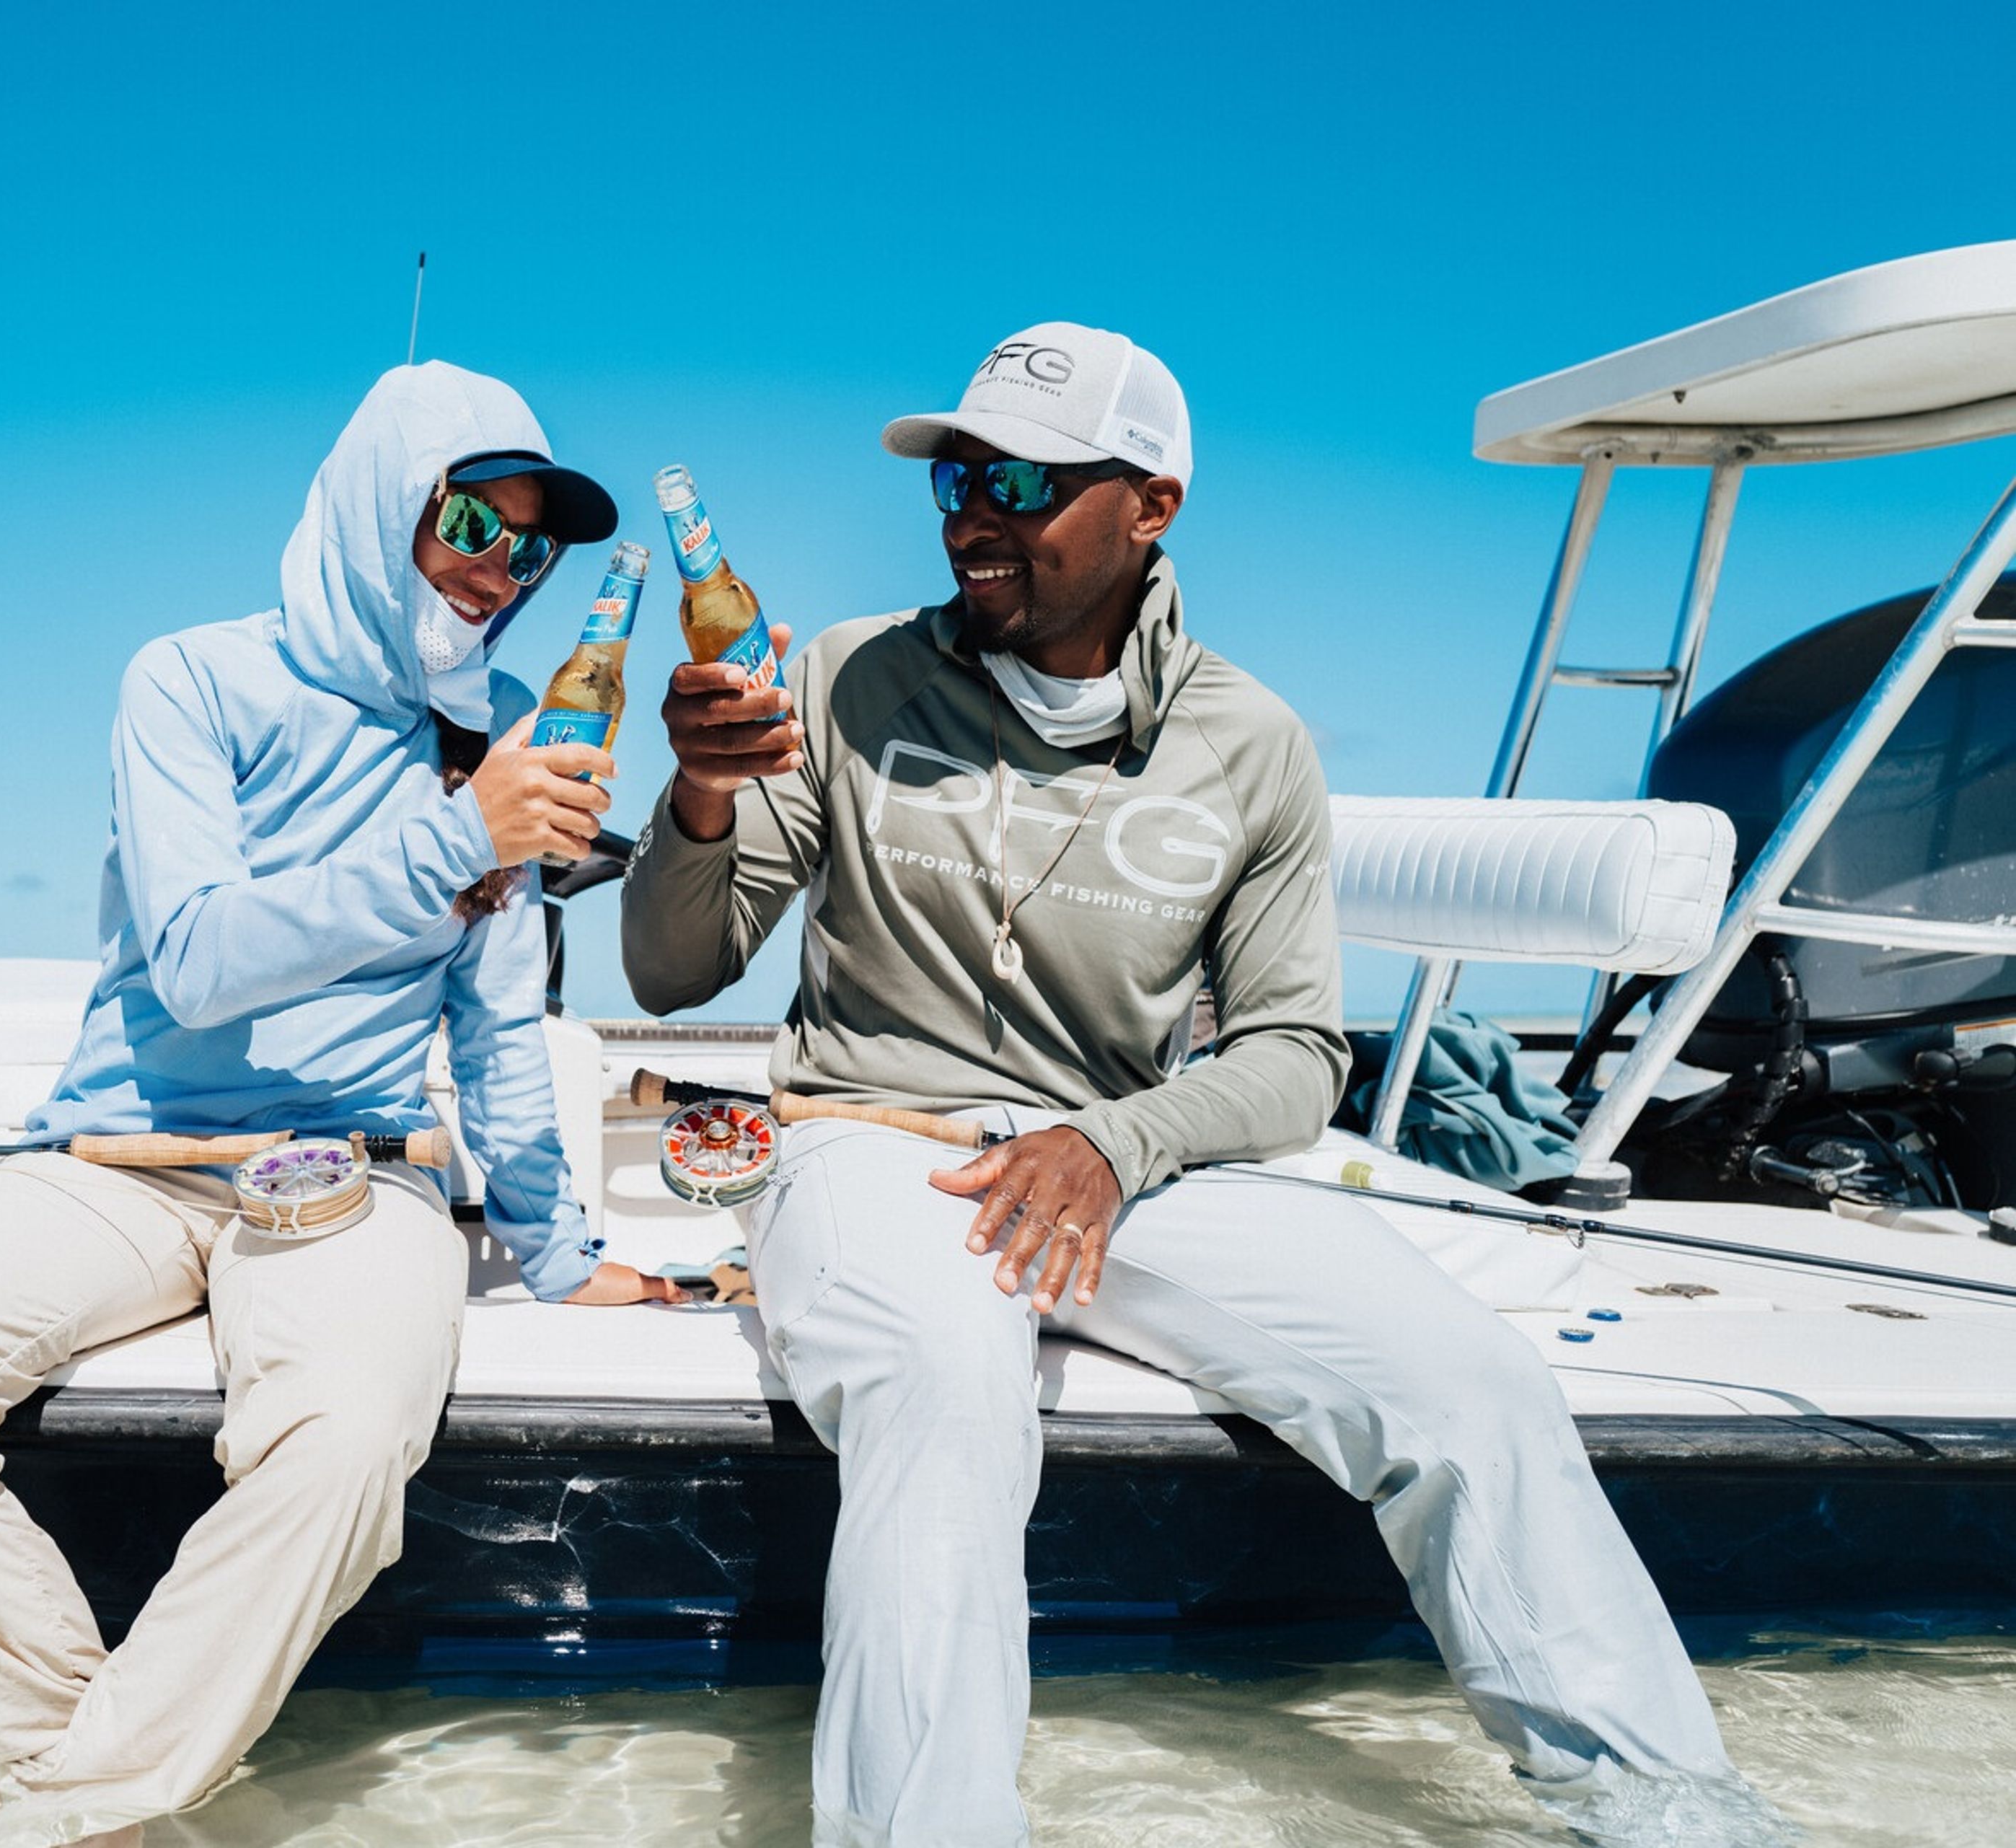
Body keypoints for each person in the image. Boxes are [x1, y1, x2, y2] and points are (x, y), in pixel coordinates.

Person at [618, 325, 1764, 1845]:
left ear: (1151, 504)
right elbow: (672, 972)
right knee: (949, 1390)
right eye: (959, 474)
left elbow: (1296, 1055)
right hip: (869, 1138)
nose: (975, 509)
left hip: (1124, 1164)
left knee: (1471, 1383)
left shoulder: (1254, 744)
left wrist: (1114, 1146)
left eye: (1024, 478)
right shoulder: (840, 678)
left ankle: (1668, 1810)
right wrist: (699, 793)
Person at [0, 361, 677, 1847]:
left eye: (533, 548)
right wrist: (452, 839)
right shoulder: (191, 680)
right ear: (382, 509)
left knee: (340, 1442)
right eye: (472, 522)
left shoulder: (512, 725)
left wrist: (563, 1249)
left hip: (361, 1170)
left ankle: (55, 1813)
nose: (501, 572)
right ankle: (94, 1803)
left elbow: (500, 1020)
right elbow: (197, 960)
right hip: (119, 1157)